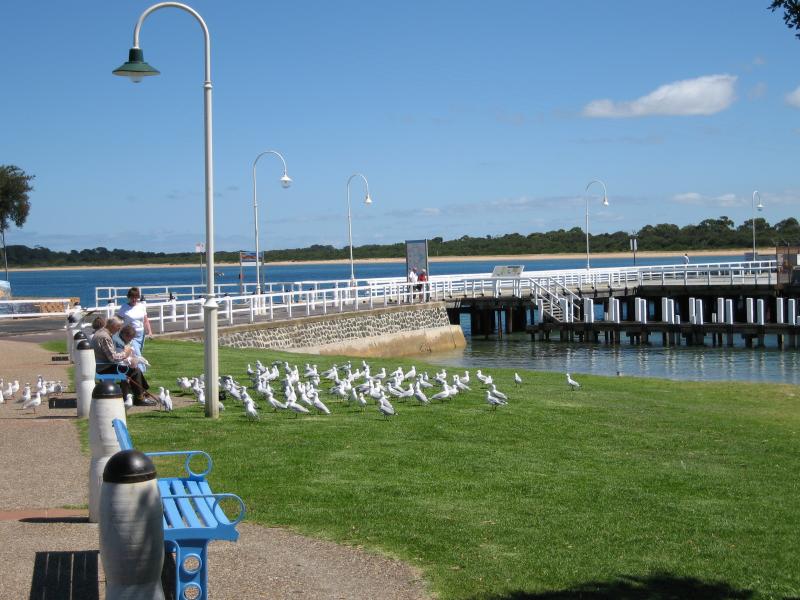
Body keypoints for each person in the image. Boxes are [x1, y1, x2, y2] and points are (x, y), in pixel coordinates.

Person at [92, 316, 154, 406]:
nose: (119, 329)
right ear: (113, 326)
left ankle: (140, 394)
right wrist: (125, 353)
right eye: (118, 327)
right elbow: (113, 358)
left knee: (134, 370)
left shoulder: (100, 333)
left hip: (101, 364)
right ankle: (139, 398)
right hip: (104, 367)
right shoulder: (105, 337)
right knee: (135, 371)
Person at [116, 287, 152, 358]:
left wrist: (149, 331)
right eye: (132, 297)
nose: (134, 299)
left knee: (136, 354)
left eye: (136, 297)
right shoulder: (124, 307)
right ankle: (142, 368)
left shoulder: (141, 306)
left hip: (141, 334)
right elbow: (117, 320)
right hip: (130, 335)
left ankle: (133, 368)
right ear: (128, 297)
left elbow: (145, 320)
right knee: (138, 355)